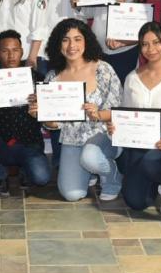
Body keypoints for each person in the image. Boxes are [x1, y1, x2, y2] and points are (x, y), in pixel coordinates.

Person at [29, 19, 122, 204]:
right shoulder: (53, 77)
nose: (72, 45)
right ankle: (88, 171)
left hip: (104, 135)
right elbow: (53, 125)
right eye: (65, 40)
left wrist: (98, 114)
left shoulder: (103, 69)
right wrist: (42, 116)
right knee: (72, 194)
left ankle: (112, 179)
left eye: (77, 39)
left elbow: (118, 110)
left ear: (86, 41)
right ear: (58, 44)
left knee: (90, 157)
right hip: (72, 139)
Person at [111, 22, 161, 213]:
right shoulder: (132, 77)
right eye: (145, 44)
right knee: (136, 202)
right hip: (139, 142)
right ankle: (158, 181)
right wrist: (116, 128)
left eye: (156, 43)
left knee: (151, 162)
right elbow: (126, 114)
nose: (151, 49)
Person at [0, 30, 51, 197]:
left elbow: (48, 120)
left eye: (15, 50)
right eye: (5, 51)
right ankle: (0, 176)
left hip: (29, 142)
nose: (11, 55)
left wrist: (39, 109)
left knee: (42, 178)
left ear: (22, 52)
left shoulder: (37, 79)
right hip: (0, 142)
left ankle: (26, 170)